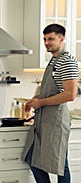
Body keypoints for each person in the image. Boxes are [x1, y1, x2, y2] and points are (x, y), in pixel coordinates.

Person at [22, 23, 79, 183]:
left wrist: (41, 103)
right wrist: (38, 98)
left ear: (62, 39)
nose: (47, 42)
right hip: (44, 120)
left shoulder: (67, 60)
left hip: (56, 121)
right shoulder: (54, 60)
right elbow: (56, 90)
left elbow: (70, 94)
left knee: (61, 166)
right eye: (45, 39)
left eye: (51, 39)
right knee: (33, 159)